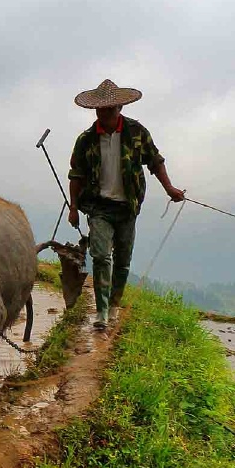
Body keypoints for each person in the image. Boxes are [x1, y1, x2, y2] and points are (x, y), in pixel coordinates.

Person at [67, 79, 184, 328]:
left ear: (120, 108)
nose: (106, 114)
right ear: (95, 111)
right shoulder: (86, 140)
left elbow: (155, 161)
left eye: (111, 109)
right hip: (99, 206)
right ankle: (102, 311)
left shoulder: (136, 132)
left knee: (122, 261)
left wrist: (169, 188)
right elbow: (76, 175)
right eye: (101, 110)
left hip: (127, 207)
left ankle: (115, 305)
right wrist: (74, 207)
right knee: (100, 256)